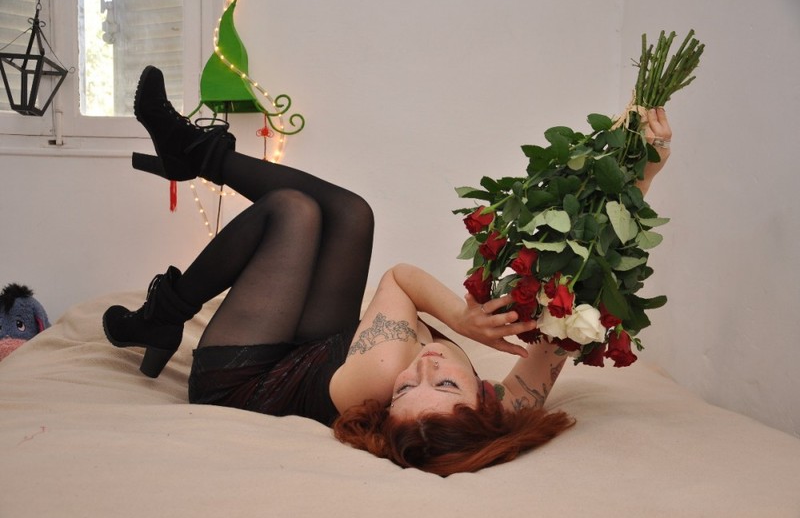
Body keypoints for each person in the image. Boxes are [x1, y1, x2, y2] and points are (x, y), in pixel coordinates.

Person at [104, 66, 672, 476]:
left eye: (405, 388)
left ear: (387, 405)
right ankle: (189, 154)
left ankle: (164, 314)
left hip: (245, 382)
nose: (423, 366)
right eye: (444, 383)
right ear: (484, 400)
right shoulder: (509, 406)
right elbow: (583, 286)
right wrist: (642, 171)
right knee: (352, 214)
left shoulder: (381, 366)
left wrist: (462, 321)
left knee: (293, 212)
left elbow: (399, 277)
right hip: (317, 352)